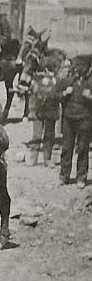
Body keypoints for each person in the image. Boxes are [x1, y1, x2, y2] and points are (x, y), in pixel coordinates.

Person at [55, 55, 92, 185]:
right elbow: (56, 95)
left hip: (85, 121)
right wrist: (64, 94)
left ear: (88, 68)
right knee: (66, 148)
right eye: (77, 66)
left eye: (82, 66)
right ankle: (64, 176)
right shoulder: (69, 81)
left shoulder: (90, 83)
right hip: (69, 120)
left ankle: (81, 178)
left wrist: (90, 98)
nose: (79, 69)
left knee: (82, 149)